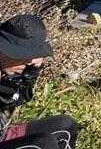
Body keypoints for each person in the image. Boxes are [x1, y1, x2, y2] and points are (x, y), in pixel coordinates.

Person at [0, 15, 79, 149]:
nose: (28, 62)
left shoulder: (13, 69)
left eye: (31, 56)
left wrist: (31, 74)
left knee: (66, 125)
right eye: (21, 56)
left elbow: (19, 99)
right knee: (44, 143)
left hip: (3, 135)